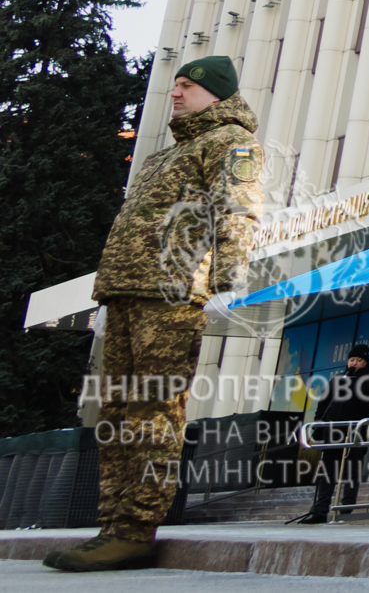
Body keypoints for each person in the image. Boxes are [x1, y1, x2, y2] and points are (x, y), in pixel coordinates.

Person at [48, 55, 262, 574]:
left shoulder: (230, 141)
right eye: (176, 85)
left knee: (153, 410)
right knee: (115, 414)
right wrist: (107, 296)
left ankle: (134, 529)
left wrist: (226, 282)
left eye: (187, 85)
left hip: (170, 295)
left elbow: (239, 207)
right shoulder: (164, 156)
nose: (176, 93)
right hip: (124, 292)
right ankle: (110, 526)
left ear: (215, 93)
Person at [294, 343, 369, 524]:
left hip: (355, 432)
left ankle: (346, 509)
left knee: (351, 471)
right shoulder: (338, 378)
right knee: (327, 472)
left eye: (359, 360)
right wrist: (319, 426)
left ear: (366, 362)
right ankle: (320, 511)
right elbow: (324, 403)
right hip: (332, 432)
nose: (354, 363)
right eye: (352, 360)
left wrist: (360, 394)